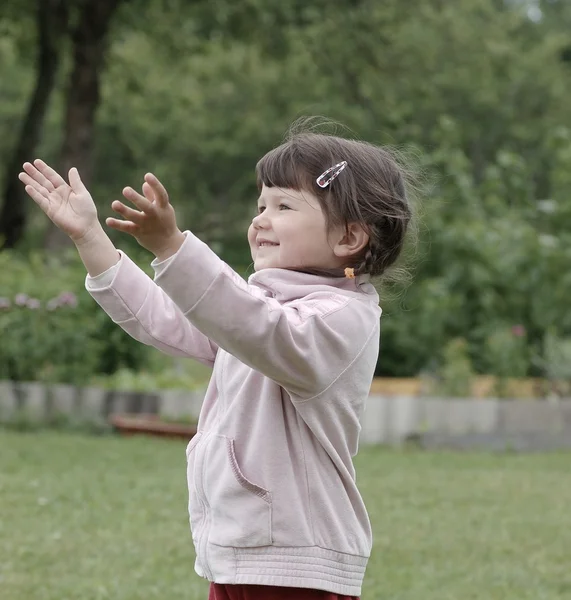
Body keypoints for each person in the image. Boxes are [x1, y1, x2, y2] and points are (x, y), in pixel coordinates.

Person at [19, 126, 413, 600]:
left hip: (295, 562)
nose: (261, 220)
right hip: (243, 550)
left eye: (284, 206)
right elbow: (163, 318)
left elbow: (258, 327)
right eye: (260, 205)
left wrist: (173, 248)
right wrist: (89, 237)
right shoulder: (255, 309)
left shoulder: (340, 319)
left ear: (349, 236)